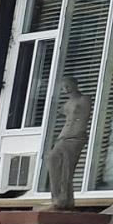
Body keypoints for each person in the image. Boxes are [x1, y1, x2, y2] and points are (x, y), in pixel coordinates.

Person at [44, 74, 91, 210]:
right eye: (64, 86)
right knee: (53, 159)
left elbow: (82, 117)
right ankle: (57, 197)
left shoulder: (84, 100)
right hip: (63, 137)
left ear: (75, 84)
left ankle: (64, 199)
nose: (66, 88)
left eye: (68, 84)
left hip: (75, 137)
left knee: (66, 167)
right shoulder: (66, 105)